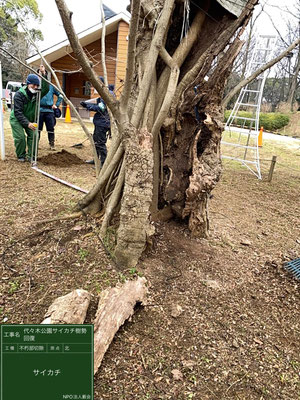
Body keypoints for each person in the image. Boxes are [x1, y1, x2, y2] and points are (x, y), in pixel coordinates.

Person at [9, 66, 49, 162]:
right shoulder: (19, 95)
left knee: (35, 135)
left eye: (37, 85)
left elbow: (46, 88)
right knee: (20, 138)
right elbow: (18, 112)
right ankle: (21, 155)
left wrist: (43, 74)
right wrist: (27, 123)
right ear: (28, 84)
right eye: (33, 85)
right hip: (17, 119)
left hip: (30, 119)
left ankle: (31, 156)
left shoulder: (37, 94)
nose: (35, 87)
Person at [80, 77, 114, 166]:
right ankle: (96, 159)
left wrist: (88, 107)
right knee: (96, 142)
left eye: (93, 86)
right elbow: (98, 102)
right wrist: (87, 103)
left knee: (100, 143)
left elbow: (101, 108)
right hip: (101, 122)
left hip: (103, 123)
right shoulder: (105, 93)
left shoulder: (107, 94)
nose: (92, 88)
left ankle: (103, 164)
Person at [38, 67, 63, 150]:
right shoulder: (36, 86)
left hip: (49, 111)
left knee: (51, 129)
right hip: (39, 110)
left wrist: (57, 104)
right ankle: (35, 144)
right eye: (39, 74)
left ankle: (51, 144)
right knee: (37, 129)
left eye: (42, 73)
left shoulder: (51, 86)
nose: (40, 75)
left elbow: (60, 95)